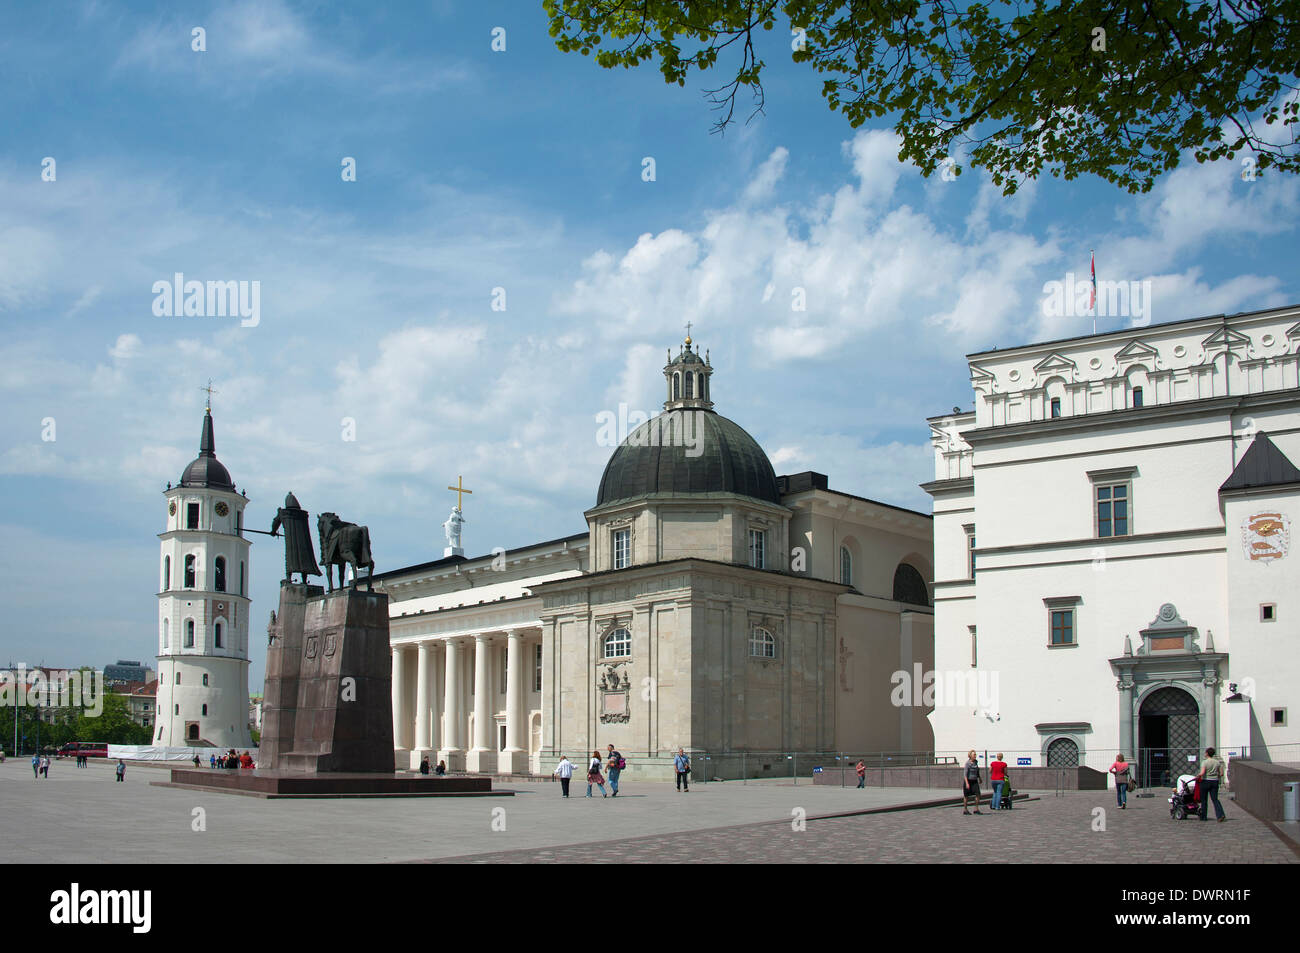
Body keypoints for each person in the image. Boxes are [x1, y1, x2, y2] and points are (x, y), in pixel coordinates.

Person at [1196, 747, 1227, 822]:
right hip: (1215, 782)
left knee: (1204, 800)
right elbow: (1222, 773)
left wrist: (1198, 775)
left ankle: (1203, 817)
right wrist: (1216, 776)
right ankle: (1220, 815)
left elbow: (1202, 773)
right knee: (1215, 799)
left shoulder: (1205, 762)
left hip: (1205, 781)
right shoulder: (1217, 762)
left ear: (1207, 753)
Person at [962, 749, 982, 814]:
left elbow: (977, 771)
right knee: (966, 796)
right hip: (968, 780)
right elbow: (965, 774)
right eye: (974, 754)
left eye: (975, 754)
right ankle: (965, 809)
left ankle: (976, 809)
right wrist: (967, 783)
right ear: (970, 756)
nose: (975, 756)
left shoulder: (976, 762)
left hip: (974, 780)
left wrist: (979, 778)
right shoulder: (967, 763)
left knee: (978, 794)